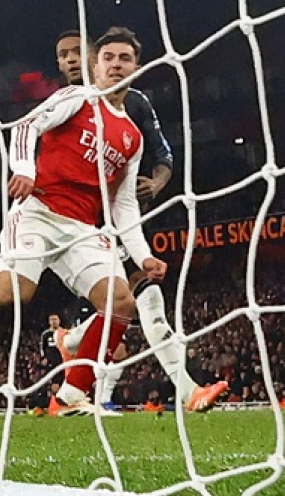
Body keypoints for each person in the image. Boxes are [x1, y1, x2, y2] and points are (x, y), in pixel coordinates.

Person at [0, 27, 224, 415]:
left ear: (137, 68)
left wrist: (143, 257)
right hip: (38, 212)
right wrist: (24, 169)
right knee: (8, 296)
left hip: (82, 230)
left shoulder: (133, 138)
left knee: (120, 301)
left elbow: (124, 205)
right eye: (108, 58)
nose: (116, 65)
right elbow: (25, 126)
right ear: (96, 65)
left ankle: (70, 396)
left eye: (125, 59)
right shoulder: (78, 98)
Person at [50, 30, 223, 411]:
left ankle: (186, 391)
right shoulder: (64, 105)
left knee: (146, 303)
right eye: (65, 55)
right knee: (127, 307)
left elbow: (163, 154)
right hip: (78, 226)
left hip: (124, 220)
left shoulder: (134, 104)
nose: (73, 60)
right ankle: (77, 359)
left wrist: (158, 183)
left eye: (80, 52)